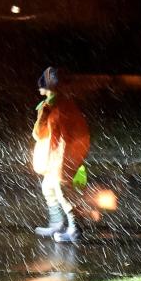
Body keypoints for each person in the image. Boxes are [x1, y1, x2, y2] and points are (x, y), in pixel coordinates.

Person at [32, 67, 90, 243]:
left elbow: (38, 133)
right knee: (48, 187)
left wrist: (42, 114)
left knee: (61, 190)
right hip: (66, 153)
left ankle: (74, 229)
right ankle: (58, 223)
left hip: (61, 156)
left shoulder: (50, 106)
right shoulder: (65, 104)